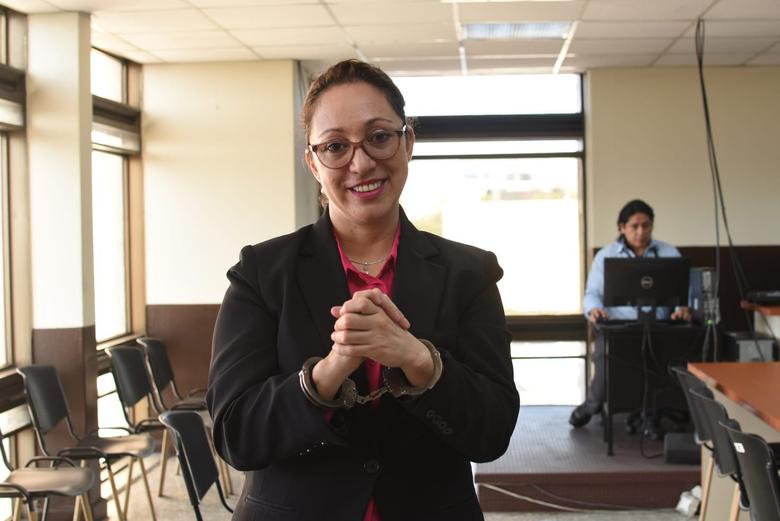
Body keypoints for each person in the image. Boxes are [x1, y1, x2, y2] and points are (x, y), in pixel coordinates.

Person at [207, 59, 520, 521]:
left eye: (379, 136)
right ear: (313, 163)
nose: (361, 162)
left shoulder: (469, 273)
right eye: (335, 146)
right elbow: (236, 435)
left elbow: (492, 433)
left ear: (408, 142)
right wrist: (326, 374)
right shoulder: (261, 272)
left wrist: (420, 361)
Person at [569, 199, 690, 428]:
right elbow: (592, 294)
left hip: (661, 328)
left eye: (646, 225)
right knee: (605, 363)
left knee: (679, 358)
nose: (641, 231)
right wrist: (593, 309)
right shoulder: (605, 256)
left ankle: (670, 406)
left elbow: (684, 294)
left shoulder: (669, 253)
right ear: (622, 227)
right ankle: (592, 404)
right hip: (618, 328)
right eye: (634, 226)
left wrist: (681, 309)